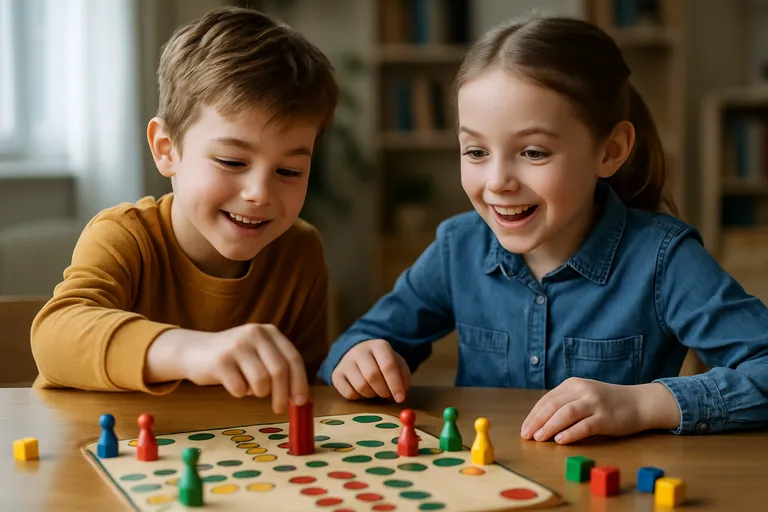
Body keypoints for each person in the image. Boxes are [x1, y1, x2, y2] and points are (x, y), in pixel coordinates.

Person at [318, 15, 768, 443]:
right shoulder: (458, 246)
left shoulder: (664, 259)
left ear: (610, 151)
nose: (497, 182)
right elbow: (356, 346)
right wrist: (358, 359)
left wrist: (643, 403)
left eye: (533, 152)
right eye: (475, 152)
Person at [31, 7, 339, 414]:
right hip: (102, 456)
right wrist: (192, 350)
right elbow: (55, 336)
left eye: (289, 170)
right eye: (231, 162)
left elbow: (304, 389)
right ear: (166, 149)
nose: (259, 193)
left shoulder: (300, 252)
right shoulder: (125, 237)